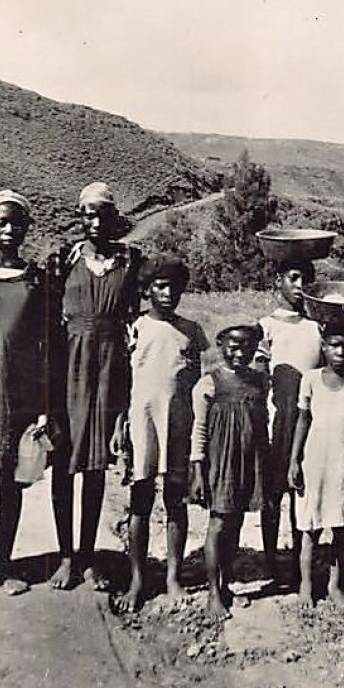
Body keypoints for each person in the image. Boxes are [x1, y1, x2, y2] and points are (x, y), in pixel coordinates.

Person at [51, 182, 141, 592]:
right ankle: (66, 556)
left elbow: (133, 320)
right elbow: (50, 324)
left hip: (110, 368)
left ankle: (88, 557)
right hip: (69, 368)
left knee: (95, 465)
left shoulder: (129, 261)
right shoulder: (62, 260)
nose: (94, 221)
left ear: (113, 218)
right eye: (87, 214)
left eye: (102, 214)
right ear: (79, 217)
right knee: (66, 462)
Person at [113, 255, 208, 612]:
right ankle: (137, 579)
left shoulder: (191, 331)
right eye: (161, 286)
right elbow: (124, 381)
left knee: (175, 500)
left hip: (178, 423)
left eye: (176, 287)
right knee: (140, 499)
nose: (169, 293)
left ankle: (173, 577)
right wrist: (119, 422)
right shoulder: (134, 327)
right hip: (142, 422)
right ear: (148, 289)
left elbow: (196, 384)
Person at [288, 322, 344, 608]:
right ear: (324, 347)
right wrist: (294, 460)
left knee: (342, 526)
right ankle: (305, 585)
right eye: (334, 344)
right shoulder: (311, 379)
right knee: (310, 527)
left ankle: (334, 586)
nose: (341, 351)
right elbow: (302, 421)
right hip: (316, 461)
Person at [0, 190, 54, 594]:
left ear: (28, 227)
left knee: (9, 483)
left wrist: (44, 404)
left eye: (16, 222)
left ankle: (2, 564)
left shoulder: (36, 280)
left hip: (17, 395)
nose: (9, 229)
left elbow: (46, 344)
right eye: (1, 221)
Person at [190, 323, 269, 621]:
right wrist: (198, 469)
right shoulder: (209, 383)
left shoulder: (259, 381)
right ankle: (212, 592)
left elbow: (262, 422)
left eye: (246, 347)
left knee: (235, 522)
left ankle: (226, 584)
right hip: (219, 460)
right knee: (219, 523)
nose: (239, 352)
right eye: (233, 346)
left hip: (248, 459)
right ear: (220, 345)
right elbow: (198, 430)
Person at [255, 261, 323, 589]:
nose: (300, 285)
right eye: (293, 277)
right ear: (278, 281)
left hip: (308, 422)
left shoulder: (318, 326)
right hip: (274, 420)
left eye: (306, 279)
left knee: (302, 492)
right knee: (273, 494)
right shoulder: (266, 325)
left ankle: (300, 559)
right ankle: (270, 561)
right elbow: (257, 372)